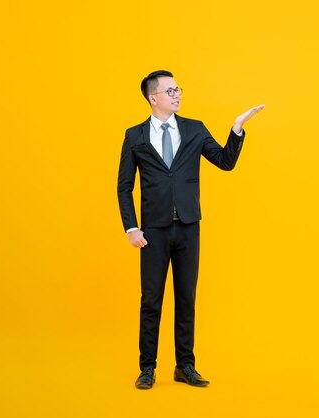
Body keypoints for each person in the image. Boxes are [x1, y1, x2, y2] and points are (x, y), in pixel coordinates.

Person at [117, 70, 264, 389]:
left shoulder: (195, 130)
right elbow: (124, 186)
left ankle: (185, 365)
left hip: (187, 228)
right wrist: (131, 227)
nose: (178, 95)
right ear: (152, 97)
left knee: (186, 298)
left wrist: (237, 128)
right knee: (151, 300)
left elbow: (225, 162)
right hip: (152, 232)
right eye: (170, 91)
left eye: (178, 90)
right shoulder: (134, 136)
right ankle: (147, 368)